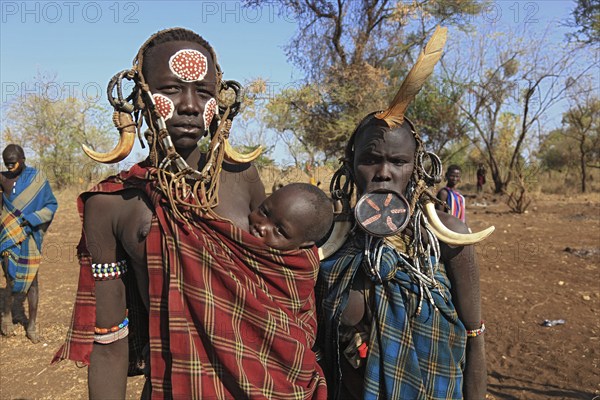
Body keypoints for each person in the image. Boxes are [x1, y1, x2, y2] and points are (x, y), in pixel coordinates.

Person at [54, 28, 326, 399]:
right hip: (176, 387)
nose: (189, 105)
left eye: (204, 92)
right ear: (138, 97)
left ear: (220, 102)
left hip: (272, 386)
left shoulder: (242, 177)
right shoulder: (110, 204)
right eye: (169, 90)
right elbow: (110, 341)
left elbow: (280, 285)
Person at [315, 26, 490, 399]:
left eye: (398, 161)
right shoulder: (327, 238)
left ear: (418, 167)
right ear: (350, 165)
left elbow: (474, 337)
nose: (383, 172)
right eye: (370, 160)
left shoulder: (446, 234)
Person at [0, 144, 58, 343]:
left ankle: (31, 324)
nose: (9, 168)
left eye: (13, 164)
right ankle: (6, 314)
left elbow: (51, 204)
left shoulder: (37, 179)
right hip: (8, 236)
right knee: (10, 277)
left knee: (32, 281)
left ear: (23, 159)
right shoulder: (2, 178)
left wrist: (33, 218)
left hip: (30, 236)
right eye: (6, 164)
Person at [249, 183, 333, 252]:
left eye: (280, 231)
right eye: (264, 212)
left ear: (305, 244)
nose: (261, 227)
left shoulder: (295, 268)